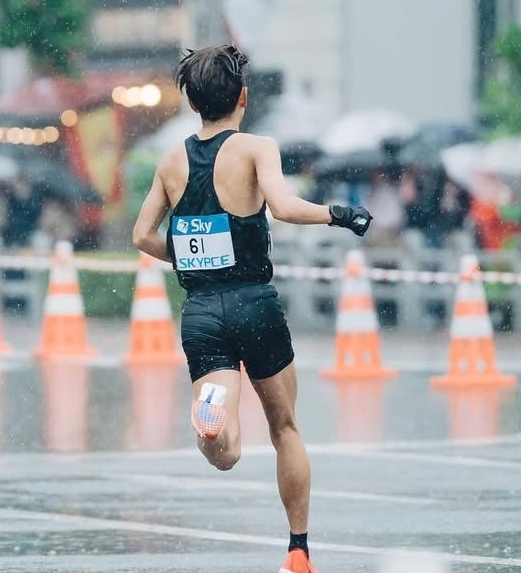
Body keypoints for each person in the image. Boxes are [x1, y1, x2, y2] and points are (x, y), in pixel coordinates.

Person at [131, 44, 372, 573]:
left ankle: (210, 421)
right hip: (254, 304)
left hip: (201, 311)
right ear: (242, 96)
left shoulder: (171, 161)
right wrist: (339, 213)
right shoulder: (256, 148)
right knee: (285, 427)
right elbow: (283, 207)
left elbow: (141, 234)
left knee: (228, 452)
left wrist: (191, 254)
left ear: (193, 102)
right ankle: (298, 551)